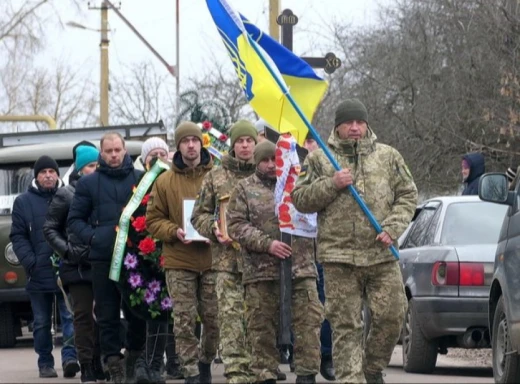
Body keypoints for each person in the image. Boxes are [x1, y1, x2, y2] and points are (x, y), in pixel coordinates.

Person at [291, 99, 418, 383]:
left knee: (393, 315)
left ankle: (371, 370)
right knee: (346, 327)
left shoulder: (388, 156)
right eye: (349, 123)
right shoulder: (319, 159)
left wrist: (393, 226)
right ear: (338, 126)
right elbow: (299, 199)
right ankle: (351, 377)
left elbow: (408, 194)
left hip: (381, 254)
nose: (355, 128)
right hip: (339, 258)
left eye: (360, 122)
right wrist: (332, 184)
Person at [226, 141, 323, 384]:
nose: (271, 165)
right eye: (265, 160)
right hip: (262, 272)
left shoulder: (300, 185)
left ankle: (306, 374)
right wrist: (267, 244)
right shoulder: (244, 189)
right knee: (261, 331)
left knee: (309, 325)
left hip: (301, 269)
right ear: (257, 162)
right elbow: (236, 225)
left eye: (275, 160)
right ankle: (265, 375)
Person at [68, 132, 146, 384]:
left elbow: (151, 216)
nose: (113, 155)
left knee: (137, 312)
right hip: (102, 259)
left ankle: (135, 356)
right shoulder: (88, 184)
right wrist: (95, 238)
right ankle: (114, 364)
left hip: (135, 259)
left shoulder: (140, 179)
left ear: (125, 151)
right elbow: (74, 221)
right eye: (108, 151)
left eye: (117, 150)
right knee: (107, 314)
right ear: (101, 153)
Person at [146, 122, 218, 384]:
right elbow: (153, 220)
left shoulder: (217, 176)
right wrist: (174, 231)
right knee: (184, 320)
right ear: (178, 146)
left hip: (212, 259)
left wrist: (220, 230)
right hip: (179, 260)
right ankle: (190, 371)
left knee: (214, 319)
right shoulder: (164, 181)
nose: (191, 145)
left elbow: (230, 212)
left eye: (195, 140)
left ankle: (205, 360)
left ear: (201, 143)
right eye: (185, 141)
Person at [191, 120, 257, 384]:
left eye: (249, 141)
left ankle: (256, 369)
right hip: (226, 262)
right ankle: (237, 373)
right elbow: (199, 215)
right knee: (229, 319)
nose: (244, 145)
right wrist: (214, 228)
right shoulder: (216, 176)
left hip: (259, 263)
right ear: (232, 144)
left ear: (255, 143)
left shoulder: (265, 174)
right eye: (239, 141)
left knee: (257, 319)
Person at [118, 137, 182, 384]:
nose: (157, 159)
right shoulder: (137, 185)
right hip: (144, 260)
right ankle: (149, 363)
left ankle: (165, 363)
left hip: (175, 251)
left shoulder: (174, 181)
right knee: (154, 311)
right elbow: (130, 220)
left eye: (161, 153)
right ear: (144, 161)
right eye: (151, 155)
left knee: (171, 311)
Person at [10, 155, 79, 379]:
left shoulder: (70, 196)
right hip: (38, 273)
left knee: (69, 317)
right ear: (36, 176)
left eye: (52, 171)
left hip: (66, 269)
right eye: (43, 172)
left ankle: (70, 358)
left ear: (58, 174)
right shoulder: (23, 202)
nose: (48, 175)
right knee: (40, 323)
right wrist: (30, 262)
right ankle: (45, 363)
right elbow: (18, 237)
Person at [43, 145, 105, 383]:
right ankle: (86, 363)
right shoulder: (66, 194)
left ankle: (101, 362)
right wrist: (67, 251)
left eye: (97, 165)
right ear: (80, 168)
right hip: (76, 267)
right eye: (90, 166)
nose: (95, 169)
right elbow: (49, 228)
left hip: (101, 263)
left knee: (105, 315)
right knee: (83, 318)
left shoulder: (104, 190)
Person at [301, 132, 335, 381]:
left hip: (323, 248)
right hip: (297, 249)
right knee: (304, 307)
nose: (309, 146)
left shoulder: (330, 168)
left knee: (325, 305)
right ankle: (300, 357)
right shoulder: (292, 169)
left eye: (312, 141)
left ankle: (327, 355)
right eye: (304, 142)